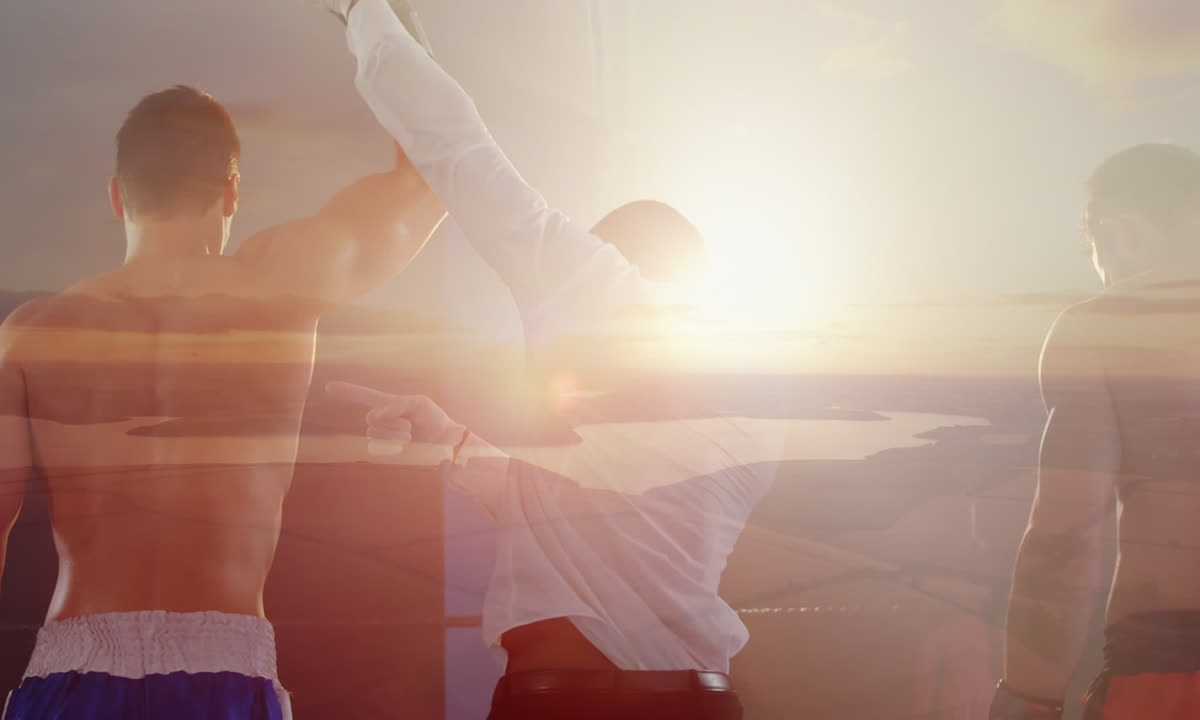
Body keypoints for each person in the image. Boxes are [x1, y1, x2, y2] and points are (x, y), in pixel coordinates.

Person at [322, 1, 780, 717]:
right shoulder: (755, 409)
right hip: (698, 701)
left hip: (567, 697)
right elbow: (601, 512)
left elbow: (459, 149)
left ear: (615, 259)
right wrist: (455, 441)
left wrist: (364, 16)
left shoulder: (597, 290)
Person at [0, 85, 446, 718]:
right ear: (232, 191)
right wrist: (390, 28)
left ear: (117, 195)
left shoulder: (33, 333)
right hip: (224, 675)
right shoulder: (281, 283)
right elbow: (438, 169)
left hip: (69, 676)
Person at [990, 142, 1200, 720]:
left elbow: (1065, 540)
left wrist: (1028, 696)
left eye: (1099, 259)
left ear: (1119, 230)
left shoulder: (1106, 326)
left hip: (1176, 681)